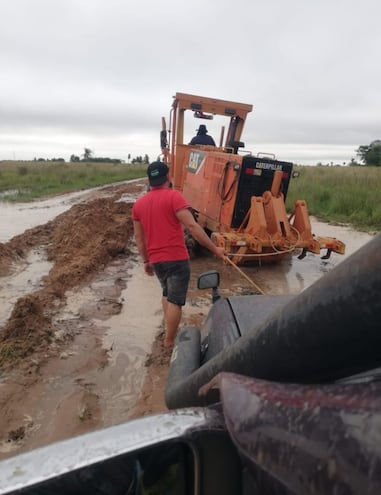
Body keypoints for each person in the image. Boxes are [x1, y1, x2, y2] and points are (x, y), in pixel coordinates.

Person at [132, 161, 225, 348]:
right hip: (176, 258)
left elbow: (139, 239)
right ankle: (169, 342)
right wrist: (215, 250)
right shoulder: (174, 197)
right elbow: (192, 226)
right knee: (175, 300)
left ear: (149, 180)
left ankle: (168, 329)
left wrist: (146, 261)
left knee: (167, 293)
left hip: (156, 260)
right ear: (168, 177)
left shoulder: (138, 205)